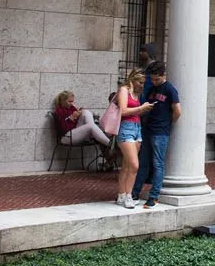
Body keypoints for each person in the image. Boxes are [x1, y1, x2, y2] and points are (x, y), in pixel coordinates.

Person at [131, 61, 180, 208]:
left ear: (163, 75)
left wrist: (167, 123)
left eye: (157, 79)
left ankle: (154, 196)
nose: (154, 81)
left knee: (157, 163)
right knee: (143, 163)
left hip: (161, 131)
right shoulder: (151, 89)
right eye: (152, 79)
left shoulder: (170, 89)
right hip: (148, 129)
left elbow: (177, 111)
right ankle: (135, 192)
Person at [113, 69, 154, 208]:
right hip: (126, 128)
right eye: (140, 82)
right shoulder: (124, 90)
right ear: (133, 79)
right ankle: (129, 196)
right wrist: (141, 108)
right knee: (134, 165)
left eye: (143, 83)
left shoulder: (137, 94)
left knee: (126, 165)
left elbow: (135, 112)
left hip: (137, 128)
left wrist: (144, 109)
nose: (142, 85)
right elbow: (123, 111)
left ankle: (121, 195)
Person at [52, 90, 112, 167]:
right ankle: (110, 144)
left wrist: (79, 114)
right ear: (63, 101)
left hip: (75, 133)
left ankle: (96, 135)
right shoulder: (59, 111)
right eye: (69, 101)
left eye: (72, 101)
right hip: (66, 137)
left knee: (85, 112)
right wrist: (72, 118)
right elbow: (63, 129)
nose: (72, 103)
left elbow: (77, 123)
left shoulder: (72, 108)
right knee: (90, 126)